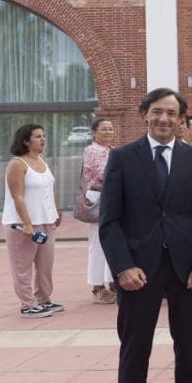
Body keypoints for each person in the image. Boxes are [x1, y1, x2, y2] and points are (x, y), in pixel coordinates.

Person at [100, 87, 192, 383]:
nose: (164, 119)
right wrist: (123, 266)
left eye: (171, 113)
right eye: (157, 112)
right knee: (135, 348)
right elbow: (109, 221)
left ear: (181, 119)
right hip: (138, 270)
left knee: (188, 342)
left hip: (186, 269)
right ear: (145, 114)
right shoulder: (122, 157)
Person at [2, 123, 62, 319]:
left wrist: (57, 210)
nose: (42, 139)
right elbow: (17, 196)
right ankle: (28, 305)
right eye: (37, 136)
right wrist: (27, 223)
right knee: (23, 266)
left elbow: (49, 189)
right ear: (26, 141)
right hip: (23, 225)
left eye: (43, 135)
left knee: (45, 265)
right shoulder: (17, 164)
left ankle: (43, 299)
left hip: (46, 221)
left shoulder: (42, 160)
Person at [83, 117, 116, 304]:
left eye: (111, 129)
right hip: (98, 197)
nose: (108, 132)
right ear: (94, 132)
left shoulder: (113, 150)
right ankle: (97, 286)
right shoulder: (92, 150)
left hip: (114, 197)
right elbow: (104, 173)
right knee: (97, 242)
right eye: (104, 129)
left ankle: (113, 281)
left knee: (114, 240)